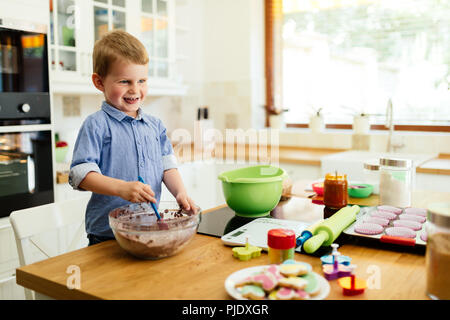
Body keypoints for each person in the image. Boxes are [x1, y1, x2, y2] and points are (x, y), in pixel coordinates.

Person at [69, 30, 197, 246]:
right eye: (125, 81)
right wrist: (121, 188)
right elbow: (80, 174)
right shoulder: (96, 124)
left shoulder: (155, 126)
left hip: (149, 230)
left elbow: (167, 165)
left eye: (142, 80)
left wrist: (180, 193)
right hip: (107, 235)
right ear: (99, 82)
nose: (135, 90)